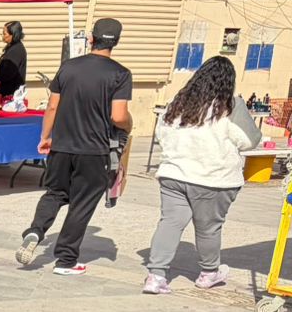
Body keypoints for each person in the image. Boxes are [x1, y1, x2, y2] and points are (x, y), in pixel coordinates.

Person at [17, 18, 133, 276]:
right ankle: (66, 260)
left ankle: (35, 230)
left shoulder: (68, 67)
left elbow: (52, 106)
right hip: (94, 150)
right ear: (117, 42)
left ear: (91, 39)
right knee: (82, 203)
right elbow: (118, 116)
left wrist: (46, 136)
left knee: (55, 193)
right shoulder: (120, 74)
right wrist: (130, 123)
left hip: (62, 144)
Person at [144, 56, 261, 295]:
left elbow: (161, 134)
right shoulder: (231, 106)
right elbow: (250, 141)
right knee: (208, 228)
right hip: (213, 178)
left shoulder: (178, 102)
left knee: (170, 223)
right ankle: (209, 273)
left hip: (174, 175)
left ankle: (156, 275)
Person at [0, 20, 28, 99]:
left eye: (4, 33)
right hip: (6, 93)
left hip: (10, 96)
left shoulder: (16, 50)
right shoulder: (12, 48)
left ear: (13, 35)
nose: (2, 35)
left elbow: (7, 74)